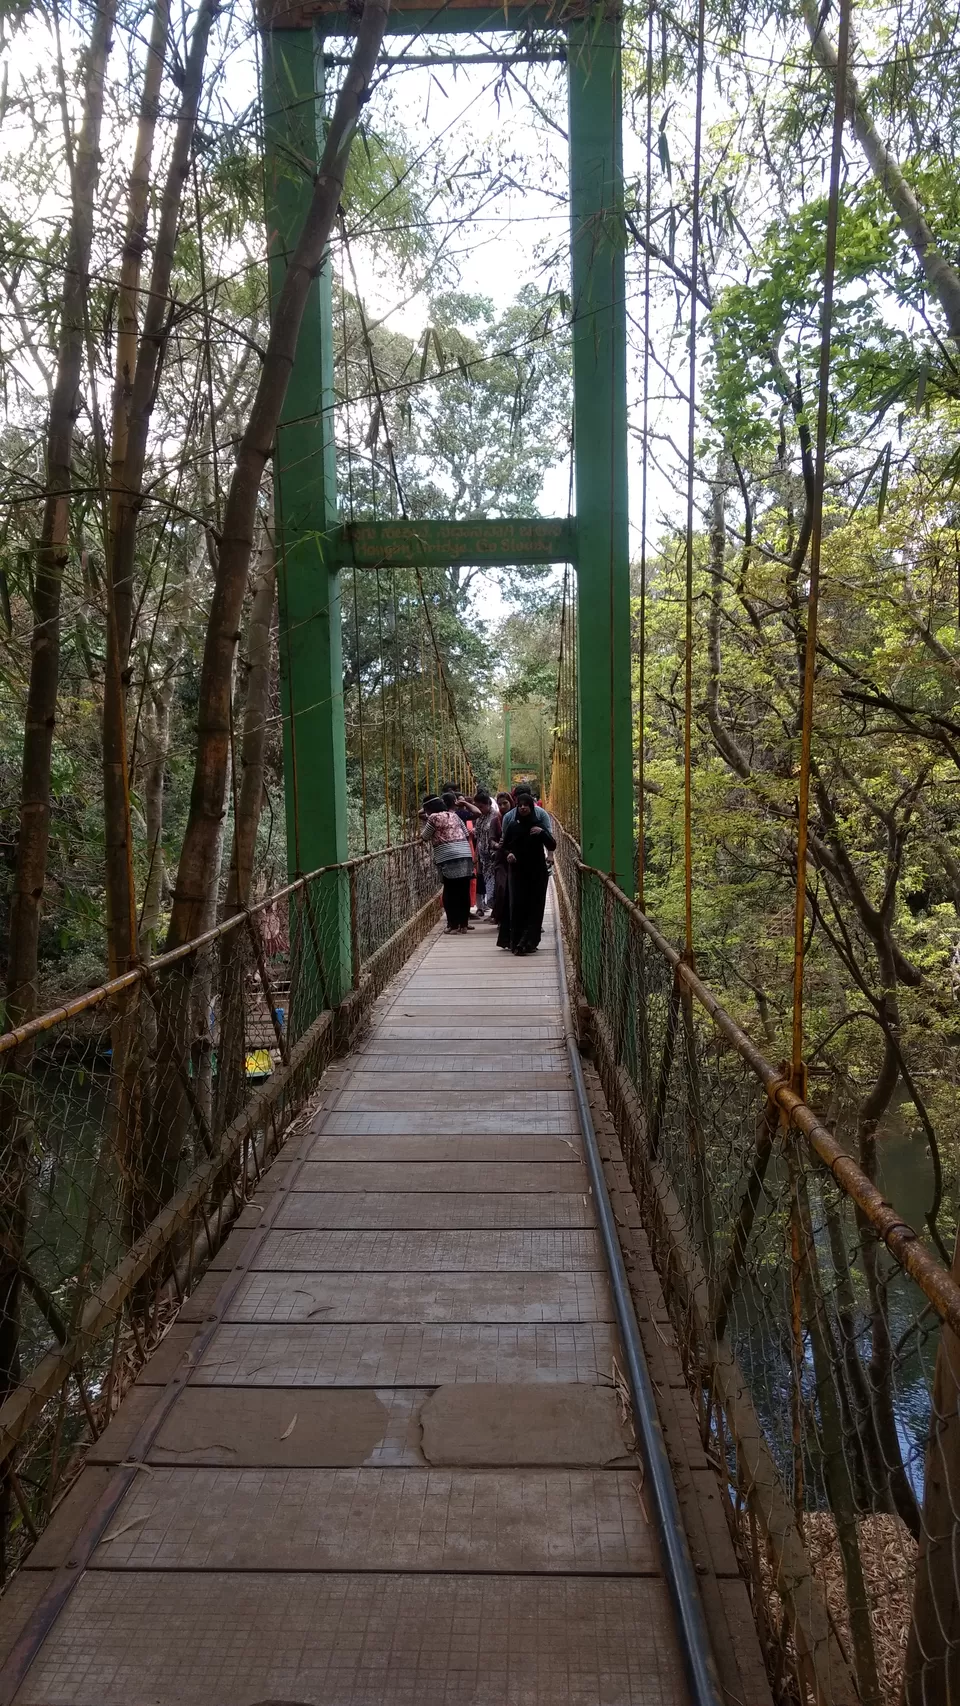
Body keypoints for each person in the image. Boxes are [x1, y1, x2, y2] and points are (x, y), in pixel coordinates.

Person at [501, 793, 557, 954]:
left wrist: (542, 832)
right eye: (520, 805)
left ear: (532, 807)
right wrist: (508, 854)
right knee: (518, 905)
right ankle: (517, 941)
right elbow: (504, 846)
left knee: (535, 906)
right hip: (517, 872)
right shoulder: (512, 826)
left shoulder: (538, 825)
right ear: (517, 807)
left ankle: (529, 942)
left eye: (526, 805)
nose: (523, 807)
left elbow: (552, 845)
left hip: (537, 872)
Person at [420, 795, 474, 934]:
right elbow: (466, 832)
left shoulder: (433, 818)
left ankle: (452, 925)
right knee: (463, 890)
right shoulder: (454, 815)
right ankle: (463, 924)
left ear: (429, 809)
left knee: (450, 890)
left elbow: (425, 836)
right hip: (464, 854)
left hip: (447, 856)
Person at [471, 788, 501, 918]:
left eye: (481, 806)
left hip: (493, 856)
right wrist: (476, 855)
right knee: (485, 882)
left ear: (489, 804)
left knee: (494, 884)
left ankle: (496, 912)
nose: (480, 809)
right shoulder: (480, 818)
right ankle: (490, 911)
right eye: (477, 807)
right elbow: (478, 837)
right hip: (482, 857)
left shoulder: (496, 817)